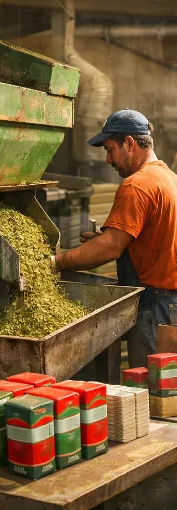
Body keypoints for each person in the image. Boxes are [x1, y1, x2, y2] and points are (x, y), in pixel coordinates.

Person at [52, 109, 177, 368]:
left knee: (149, 390)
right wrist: (113, 238)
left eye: (110, 149)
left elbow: (110, 248)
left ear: (129, 143)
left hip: (154, 308)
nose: (108, 159)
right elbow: (159, 237)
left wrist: (56, 262)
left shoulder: (136, 185)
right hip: (172, 305)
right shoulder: (169, 178)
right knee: (168, 391)